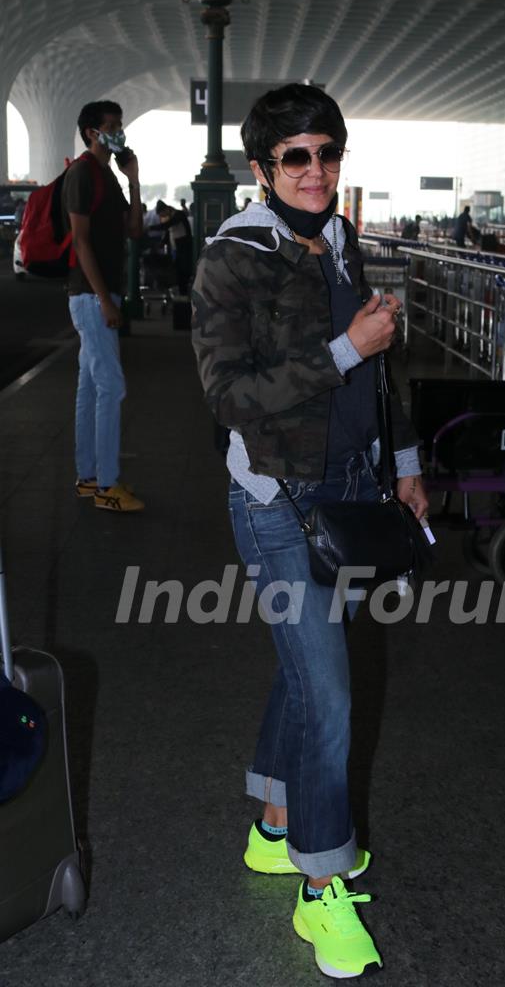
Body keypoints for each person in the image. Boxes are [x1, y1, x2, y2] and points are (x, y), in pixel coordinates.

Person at [191, 83, 428, 980]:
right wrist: (346, 351)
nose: (317, 171)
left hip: (347, 490)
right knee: (327, 689)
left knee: (307, 664)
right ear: (261, 169)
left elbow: (380, 369)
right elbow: (227, 396)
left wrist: (404, 459)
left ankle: (270, 826)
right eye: (297, 157)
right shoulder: (231, 258)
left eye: (328, 153)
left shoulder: (340, 238)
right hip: (275, 502)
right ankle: (320, 887)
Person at [62, 100, 145, 512]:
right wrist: (102, 299)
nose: (119, 131)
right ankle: (107, 486)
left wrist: (133, 180)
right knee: (112, 386)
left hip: (101, 294)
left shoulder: (107, 175)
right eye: (112, 125)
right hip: (90, 296)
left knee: (91, 387)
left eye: (120, 123)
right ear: (92, 132)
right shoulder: (80, 173)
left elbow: (134, 231)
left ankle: (88, 476)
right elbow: (80, 241)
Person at [157, 201, 193, 295]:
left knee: (183, 273)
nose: (163, 217)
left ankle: (184, 295)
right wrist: (162, 242)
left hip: (184, 249)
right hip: (176, 249)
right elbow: (169, 232)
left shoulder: (178, 215)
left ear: (166, 209)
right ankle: (181, 293)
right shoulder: (172, 216)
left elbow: (168, 225)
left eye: (163, 214)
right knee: (178, 272)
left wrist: (150, 228)